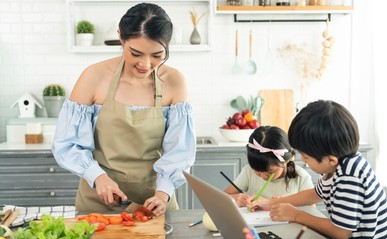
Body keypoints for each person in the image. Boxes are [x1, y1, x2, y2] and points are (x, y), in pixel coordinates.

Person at [52, 3, 196, 216]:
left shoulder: (174, 81)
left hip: (155, 201)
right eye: (136, 53)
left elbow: (180, 151)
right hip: (98, 200)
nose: (145, 64)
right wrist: (97, 177)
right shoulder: (93, 77)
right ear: (120, 37)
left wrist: (162, 194)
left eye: (157, 55)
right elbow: (67, 143)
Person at [249, 100, 387, 239]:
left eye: (306, 156)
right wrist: (273, 203)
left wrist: (296, 215)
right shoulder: (338, 167)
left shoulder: (350, 177)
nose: (303, 160)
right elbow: (316, 193)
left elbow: (340, 232)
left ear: (331, 159)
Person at [225, 126, 314, 207]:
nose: (263, 176)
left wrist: (287, 203)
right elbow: (225, 196)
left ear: (286, 161)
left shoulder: (302, 178)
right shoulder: (248, 171)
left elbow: (312, 212)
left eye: (270, 172)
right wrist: (235, 198)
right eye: (257, 171)